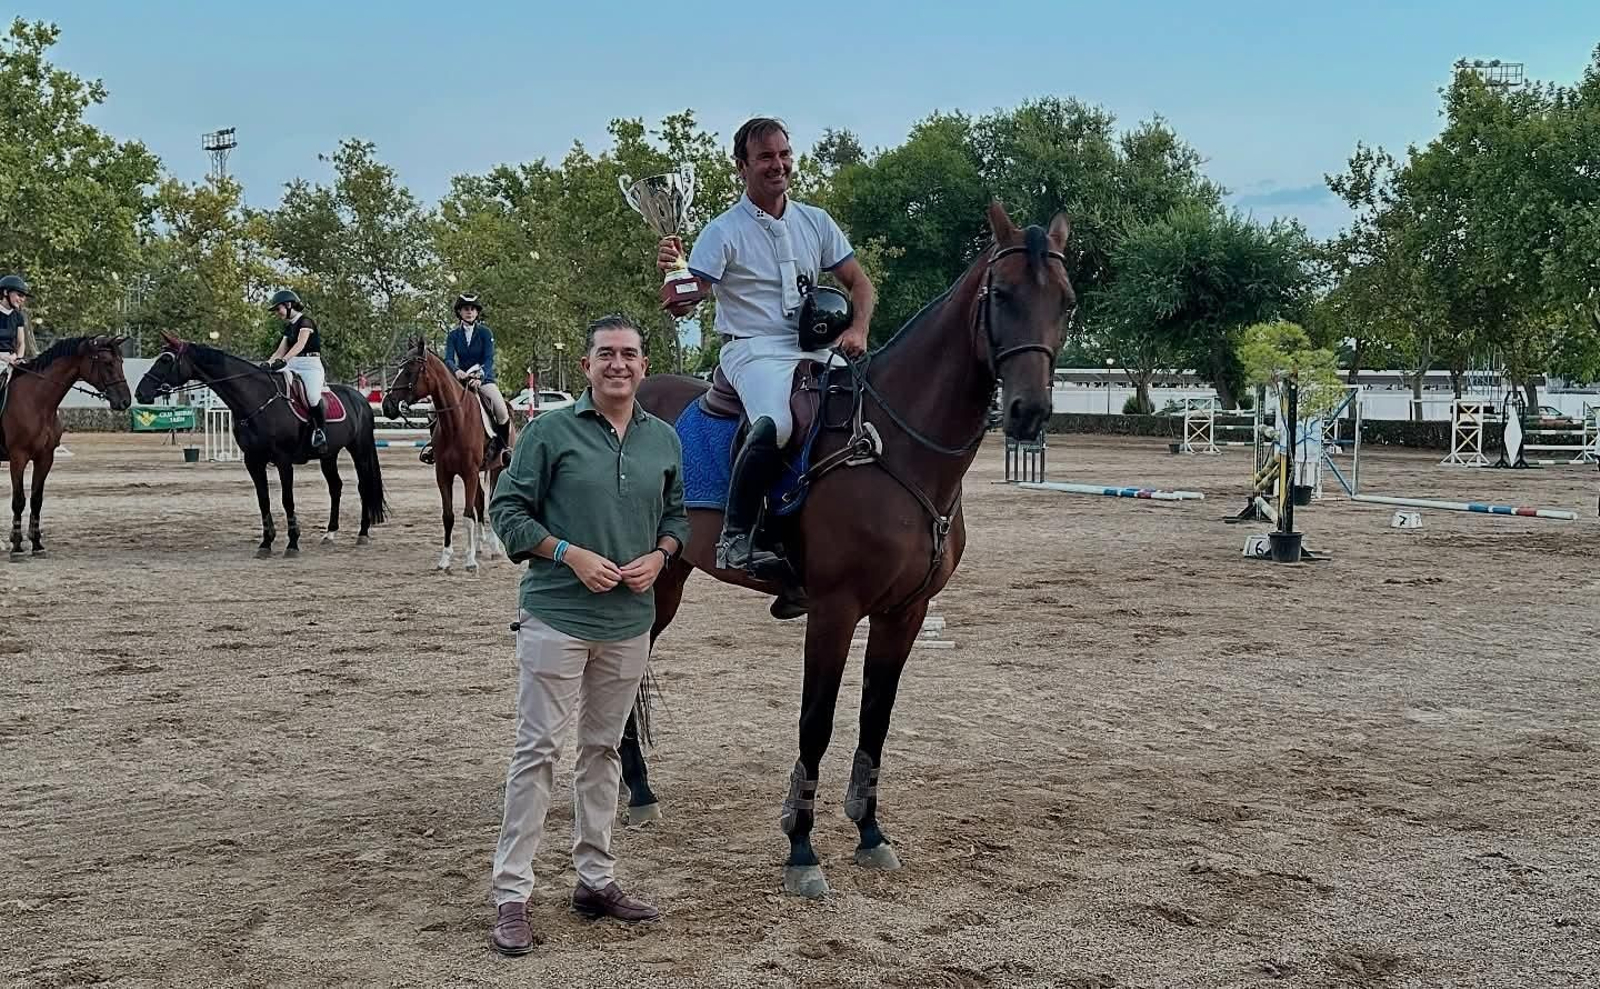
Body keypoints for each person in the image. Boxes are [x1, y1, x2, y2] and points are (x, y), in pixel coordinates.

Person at [485, 313, 689, 957]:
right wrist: (567, 552)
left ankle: (595, 879)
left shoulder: (664, 441)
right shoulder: (550, 432)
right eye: (606, 354)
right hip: (556, 617)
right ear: (588, 364)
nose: (618, 364)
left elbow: (678, 514)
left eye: (629, 354)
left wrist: (661, 555)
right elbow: (505, 511)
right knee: (538, 752)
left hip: (630, 623)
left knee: (601, 752)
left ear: (643, 365)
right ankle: (512, 893)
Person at [655, 116, 876, 575]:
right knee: (775, 423)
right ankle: (735, 536)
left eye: (783, 154)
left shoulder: (816, 220)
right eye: (765, 158)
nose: (778, 165)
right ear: (742, 166)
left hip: (815, 348)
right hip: (751, 349)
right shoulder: (723, 231)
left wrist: (858, 330)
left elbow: (860, 284)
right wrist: (674, 277)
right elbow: (686, 301)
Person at [426, 293, 511, 466]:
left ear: (477, 312)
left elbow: (489, 359)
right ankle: (435, 447)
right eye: (466, 309)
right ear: (459, 312)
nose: (469, 312)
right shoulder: (453, 335)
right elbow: (448, 359)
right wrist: (457, 372)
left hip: (483, 380)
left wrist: (480, 376)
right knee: (431, 409)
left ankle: (503, 449)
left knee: (502, 410)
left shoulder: (486, 333)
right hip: (460, 381)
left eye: (472, 309)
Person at [264, 289, 328, 454]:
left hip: (310, 365)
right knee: (273, 384)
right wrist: (268, 363)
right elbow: (280, 350)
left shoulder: (306, 322)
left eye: (279, 309)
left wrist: (284, 360)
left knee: (313, 397)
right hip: (292, 362)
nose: (278, 313)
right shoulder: (289, 328)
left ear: (289, 305)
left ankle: (320, 431)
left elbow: (300, 344)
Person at [0, 274, 31, 387]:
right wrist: (3, 357)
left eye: (24, 297)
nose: (22, 299)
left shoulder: (18, 317)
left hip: (11, 359)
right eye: (19, 295)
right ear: (6, 292)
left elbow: (21, 343)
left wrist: (18, 358)